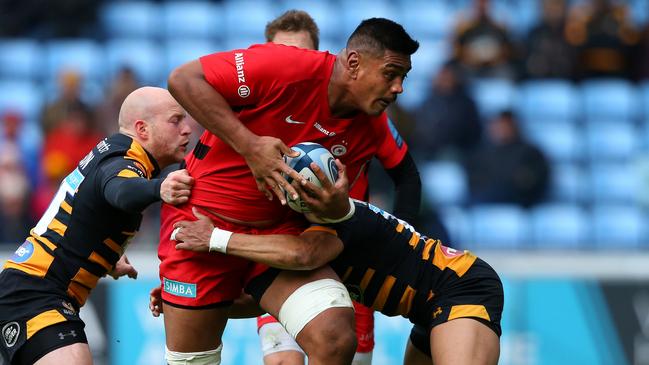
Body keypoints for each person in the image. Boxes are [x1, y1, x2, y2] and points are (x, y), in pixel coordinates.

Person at [159, 17, 419, 365]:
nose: (399, 88)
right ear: (354, 63)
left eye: (404, 77)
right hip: (198, 226)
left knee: (336, 338)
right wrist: (249, 146)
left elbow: (336, 219)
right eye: (390, 74)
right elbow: (182, 79)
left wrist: (332, 212)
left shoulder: (370, 128)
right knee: (194, 361)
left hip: (278, 235)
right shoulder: (285, 65)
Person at [166, 175, 503, 365]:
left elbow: (303, 255)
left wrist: (216, 238)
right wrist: (189, 302)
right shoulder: (297, 232)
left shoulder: (336, 222)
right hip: (428, 307)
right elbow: (266, 300)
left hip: (462, 287)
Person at [254, 10, 423, 365]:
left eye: (298, 53)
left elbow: (406, 176)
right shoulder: (256, 114)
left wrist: (398, 242)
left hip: (348, 259)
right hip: (284, 254)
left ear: (317, 57)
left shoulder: (363, 113)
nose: (288, 62)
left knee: (352, 358)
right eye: (278, 53)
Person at [0, 86, 194, 365]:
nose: (187, 129)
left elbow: (80, 211)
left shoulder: (113, 152)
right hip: (35, 294)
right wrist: (158, 188)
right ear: (142, 129)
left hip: (30, 290)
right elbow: (120, 190)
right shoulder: (125, 161)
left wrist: (106, 256)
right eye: (176, 120)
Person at [465, 110, 550, 207]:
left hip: (519, 203)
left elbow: (533, 182)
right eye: (498, 125)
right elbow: (474, 182)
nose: (501, 129)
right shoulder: (479, 154)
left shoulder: (530, 153)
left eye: (505, 125)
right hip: (486, 203)